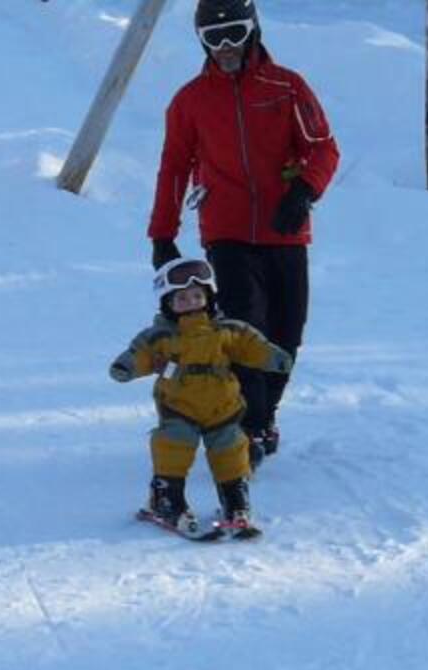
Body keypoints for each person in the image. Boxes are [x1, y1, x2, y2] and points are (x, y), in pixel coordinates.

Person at [148, 0, 340, 468]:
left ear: (254, 31)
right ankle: (248, 428)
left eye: (235, 33)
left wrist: (303, 192)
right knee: (244, 326)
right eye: (215, 38)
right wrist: (162, 234)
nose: (226, 47)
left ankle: (265, 414)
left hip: (285, 228)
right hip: (226, 229)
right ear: (201, 42)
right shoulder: (190, 100)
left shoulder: (288, 87)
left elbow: (323, 149)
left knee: (286, 332)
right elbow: (174, 167)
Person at [109, 258, 292, 539]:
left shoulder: (226, 330)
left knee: (231, 451)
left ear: (209, 297)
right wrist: (127, 366)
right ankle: (167, 498)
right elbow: (141, 352)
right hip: (178, 407)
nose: (191, 302)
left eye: (197, 295)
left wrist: (273, 358)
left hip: (223, 407)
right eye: (182, 298)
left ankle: (235, 502)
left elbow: (251, 344)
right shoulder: (160, 336)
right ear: (167, 303)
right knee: (173, 446)